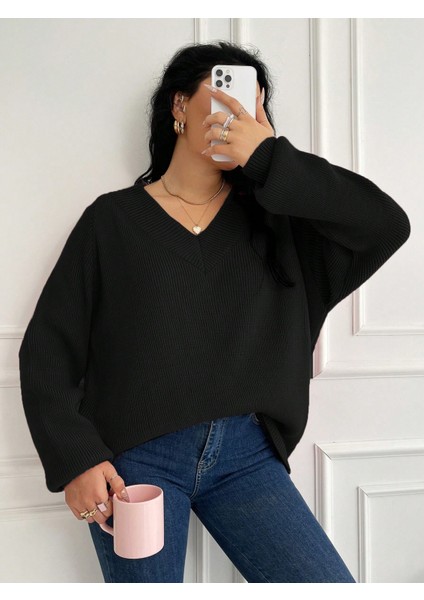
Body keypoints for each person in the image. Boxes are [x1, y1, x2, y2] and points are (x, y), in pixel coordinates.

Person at [18, 40, 410, 583]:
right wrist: (75, 459)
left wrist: (269, 156)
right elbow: (47, 350)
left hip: (247, 458)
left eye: (254, 102)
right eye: (225, 93)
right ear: (179, 105)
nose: (239, 112)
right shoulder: (112, 222)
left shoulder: (278, 227)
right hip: (137, 465)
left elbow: (386, 225)